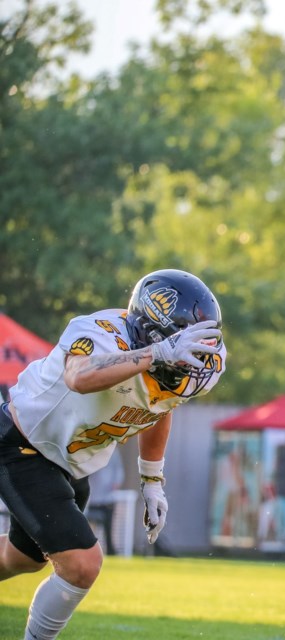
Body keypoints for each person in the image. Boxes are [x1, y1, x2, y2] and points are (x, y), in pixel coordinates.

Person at [0, 268, 226, 640]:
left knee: (20, 559)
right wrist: (156, 354)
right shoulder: (101, 332)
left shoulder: (202, 360)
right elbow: (79, 376)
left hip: (72, 465)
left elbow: (160, 406)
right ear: (149, 333)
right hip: (24, 445)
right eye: (180, 350)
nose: (191, 365)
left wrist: (152, 480)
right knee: (81, 565)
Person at [84, 451, 126, 556]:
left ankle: (110, 551)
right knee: (89, 528)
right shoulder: (91, 451)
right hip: (92, 498)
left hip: (108, 498)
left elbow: (119, 470)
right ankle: (88, 549)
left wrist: (117, 482)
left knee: (108, 527)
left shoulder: (114, 453)